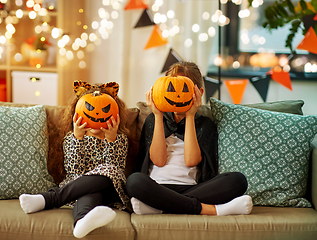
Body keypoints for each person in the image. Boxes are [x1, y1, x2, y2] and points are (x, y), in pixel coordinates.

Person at [126, 61, 253, 216]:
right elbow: (158, 160)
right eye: (171, 88)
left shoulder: (204, 124)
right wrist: (158, 116)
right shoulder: (154, 119)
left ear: (199, 92)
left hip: (192, 188)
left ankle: (160, 207)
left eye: (184, 88)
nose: (177, 95)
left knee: (238, 180)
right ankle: (209, 210)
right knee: (134, 181)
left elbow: (191, 161)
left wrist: (190, 116)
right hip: (156, 187)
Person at [19, 81, 130, 238]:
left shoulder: (120, 139)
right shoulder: (73, 138)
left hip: (109, 190)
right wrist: (77, 138)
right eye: (90, 109)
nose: (97, 115)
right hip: (80, 190)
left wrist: (111, 140)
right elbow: (75, 171)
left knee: (109, 172)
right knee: (89, 195)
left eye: (104, 110)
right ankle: (80, 223)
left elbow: (114, 171)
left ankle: (49, 198)